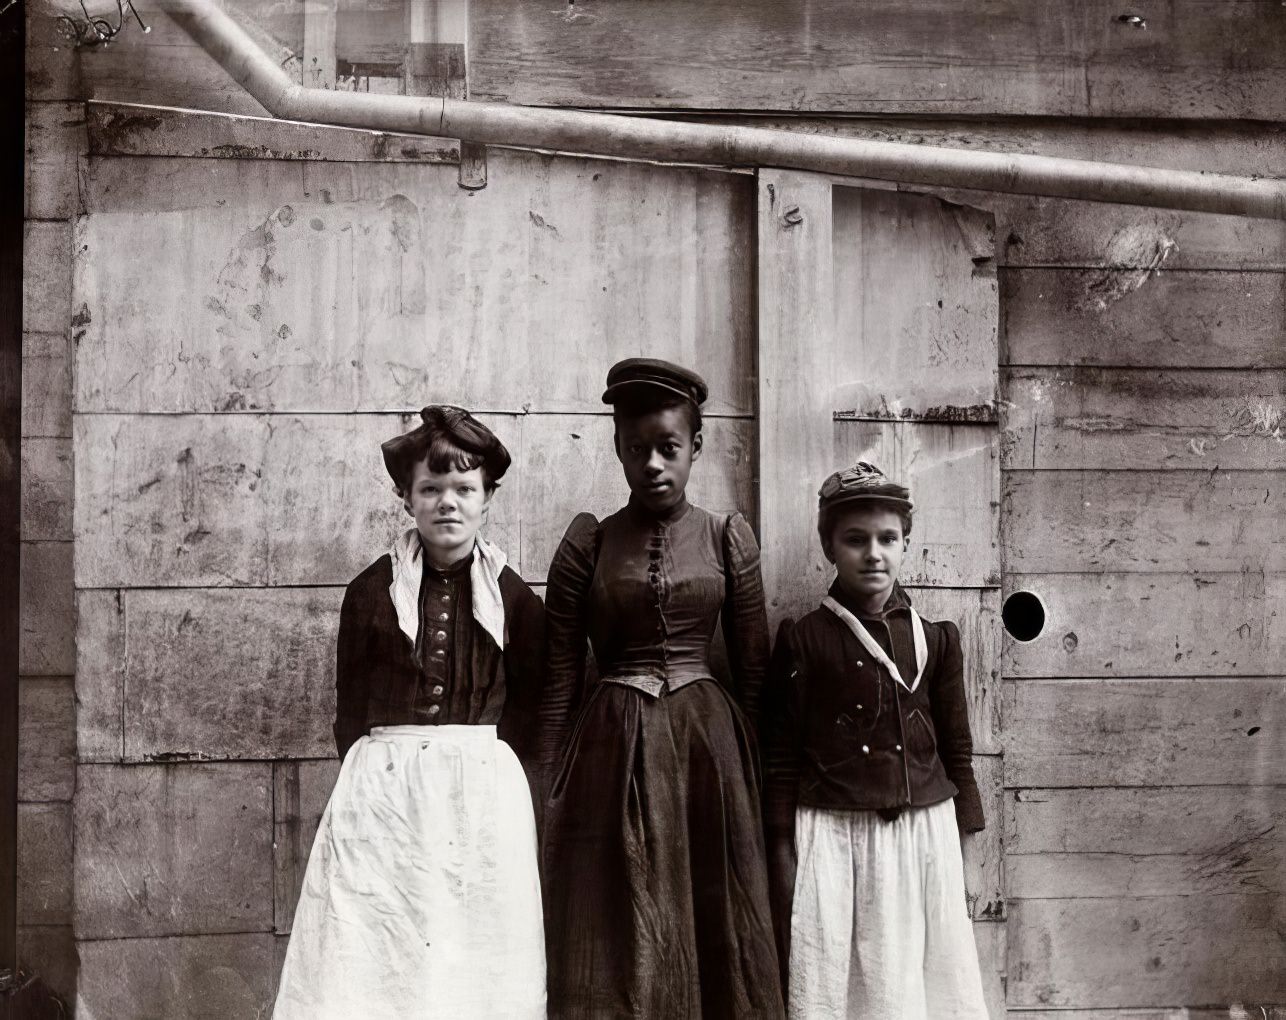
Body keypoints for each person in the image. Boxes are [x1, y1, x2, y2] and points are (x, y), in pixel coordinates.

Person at [273, 405, 547, 1020]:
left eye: (463, 489)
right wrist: (385, 770)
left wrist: (487, 771)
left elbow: (530, 706)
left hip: (479, 795)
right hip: (385, 793)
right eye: (431, 489)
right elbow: (351, 711)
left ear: (487, 499)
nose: (447, 503)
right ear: (406, 499)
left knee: (472, 948)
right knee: (376, 941)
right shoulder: (371, 592)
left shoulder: (515, 599)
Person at [538, 358, 784, 1019]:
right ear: (618, 447)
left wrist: (763, 784)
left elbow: (754, 671)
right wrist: (544, 793)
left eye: (668, 447)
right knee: (617, 920)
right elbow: (562, 677)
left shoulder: (726, 537)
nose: (653, 463)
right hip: (611, 751)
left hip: (710, 754)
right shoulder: (589, 544)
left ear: (695, 447)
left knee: (716, 920)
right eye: (637, 447)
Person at [761, 462, 988, 1020]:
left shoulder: (935, 638)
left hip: (922, 836)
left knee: (924, 979)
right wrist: (782, 854)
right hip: (835, 839)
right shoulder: (805, 640)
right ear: (828, 546)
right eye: (855, 540)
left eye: (888, 539)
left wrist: (966, 841)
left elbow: (957, 747)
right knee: (842, 981)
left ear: (906, 544)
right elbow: (782, 758)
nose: (873, 554)